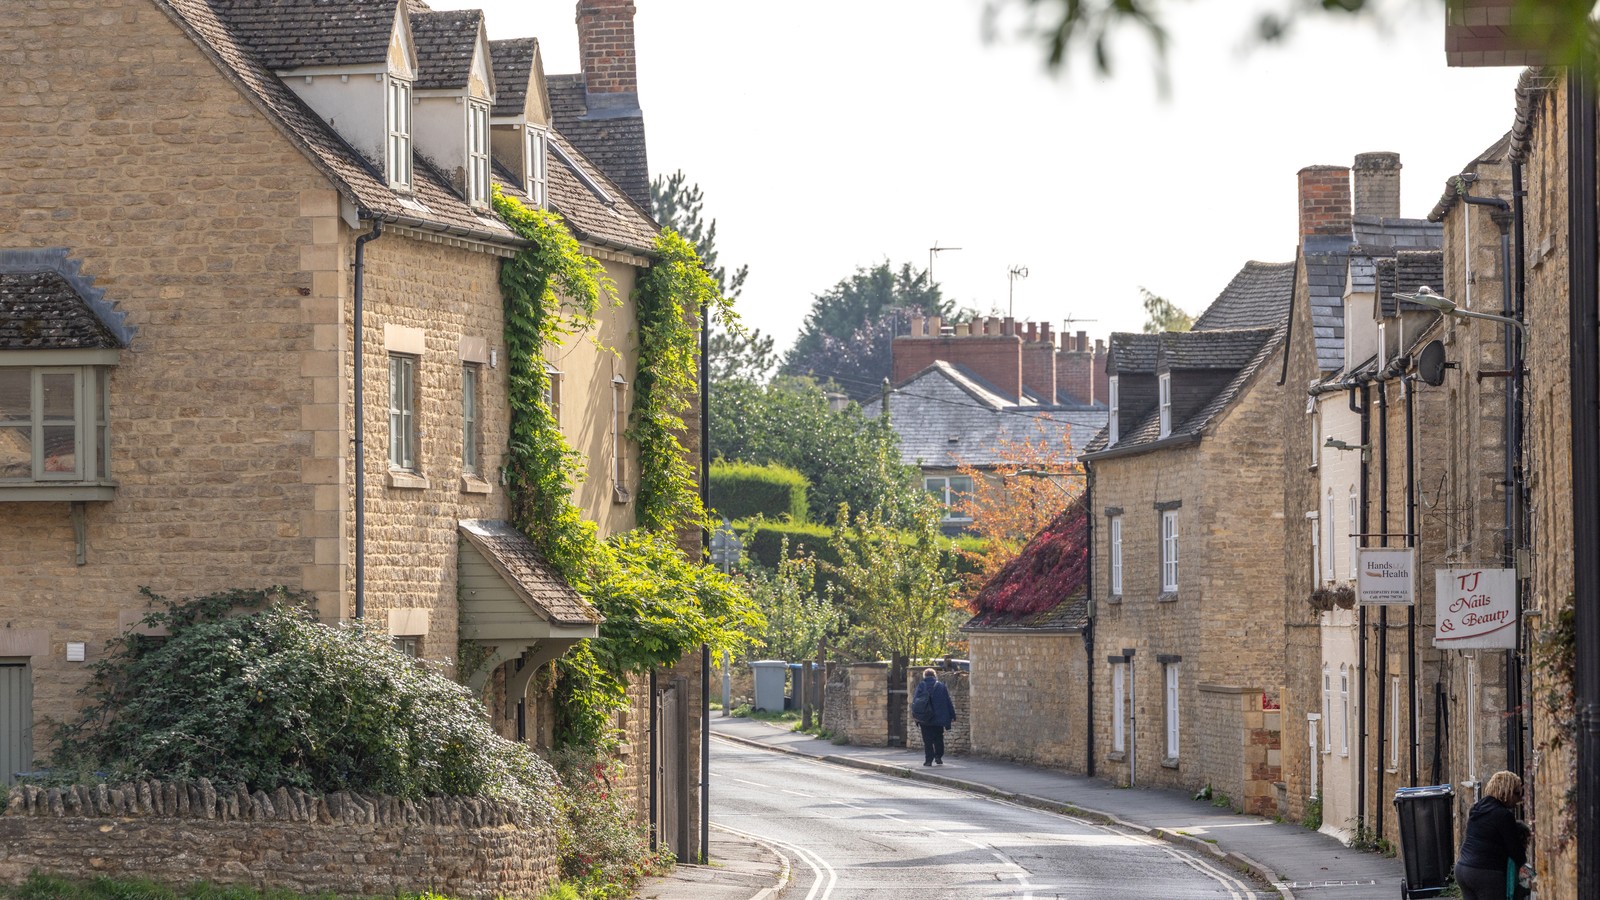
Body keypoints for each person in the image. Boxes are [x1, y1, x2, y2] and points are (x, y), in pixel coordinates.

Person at [1455, 770, 1529, 900]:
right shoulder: (1504, 815)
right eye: (1517, 794)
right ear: (1506, 792)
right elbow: (1515, 851)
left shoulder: (1476, 808)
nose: (1519, 800)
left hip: (1463, 869)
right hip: (1486, 873)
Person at [911, 668, 956, 766]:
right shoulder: (941, 686)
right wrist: (952, 715)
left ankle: (928, 760)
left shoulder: (921, 686)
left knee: (927, 740)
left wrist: (915, 715)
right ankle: (938, 756)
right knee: (938, 738)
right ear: (935, 676)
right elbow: (948, 701)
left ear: (925, 676)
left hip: (924, 717)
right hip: (938, 718)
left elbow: (915, 701)